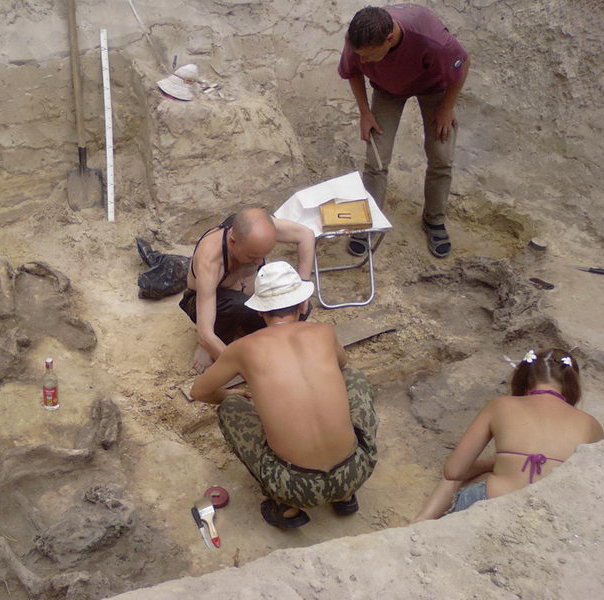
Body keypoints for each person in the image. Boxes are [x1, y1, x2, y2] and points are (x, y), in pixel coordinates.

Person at [190, 261, 378, 529]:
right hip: (355, 471)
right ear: (302, 304)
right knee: (354, 378)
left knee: (229, 406)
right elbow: (343, 364)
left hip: (294, 486)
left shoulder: (243, 348)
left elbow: (199, 391)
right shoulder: (324, 332)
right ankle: (345, 496)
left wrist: (231, 394)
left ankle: (288, 508)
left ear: (259, 311)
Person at [412, 349, 604, 522]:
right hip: (550, 517)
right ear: (571, 384)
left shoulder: (499, 405)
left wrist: (493, 463)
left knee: (474, 476)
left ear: (523, 379)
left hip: (490, 502)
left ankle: (420, 522)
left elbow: (453, 472)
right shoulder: (592, 425)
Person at [339, 5, 470, 258]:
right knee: (376, 159)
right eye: (360, 55)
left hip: (433, 87)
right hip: (387, 90)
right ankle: (369, 221)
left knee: (441, 155)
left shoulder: (430, 39)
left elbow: (462, 64)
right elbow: (352, 71)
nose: (362, 60)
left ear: (389, 39)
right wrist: (365, 112)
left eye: (369, 56)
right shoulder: (358, 39)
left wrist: (446, 107)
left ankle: (434, 220)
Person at [179, 208, 315, 373]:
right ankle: (211, 345)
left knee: (300, 308)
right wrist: (247, 371)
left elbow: (306, 235)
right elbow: (205, 333)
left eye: (263, 255)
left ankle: (244, 333)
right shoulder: (210, 260)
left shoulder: (263, 227)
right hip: (211, 305)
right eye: (252, 257)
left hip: (251, 301)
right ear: (233, 242)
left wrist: (303, 284)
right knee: (235, 306)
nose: (258, 262)